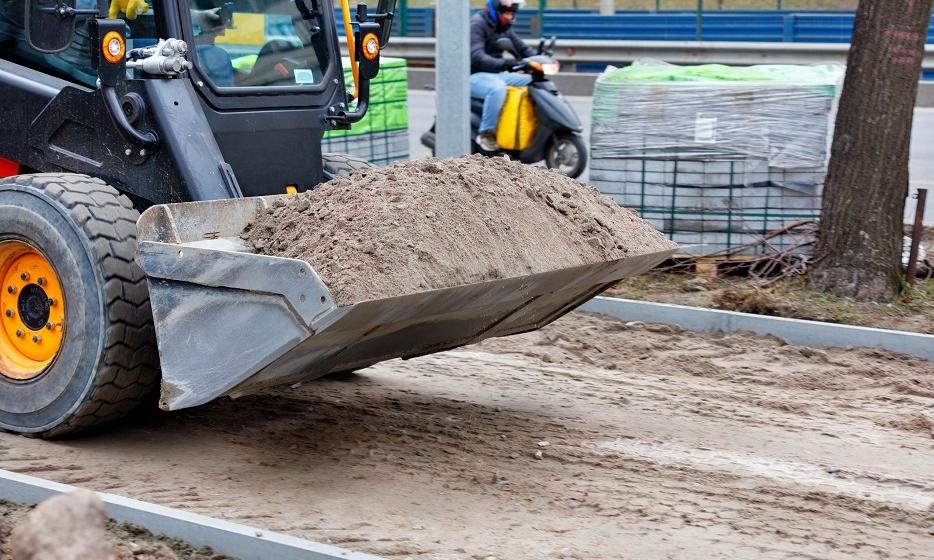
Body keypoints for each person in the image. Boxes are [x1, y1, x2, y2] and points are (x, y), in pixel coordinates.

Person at [469, 0, 540, 152]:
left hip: (495, 73)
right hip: (473, 76)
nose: (509, 17)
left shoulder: (502, 27)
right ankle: (486, 133)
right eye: (506, 13)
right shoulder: (478, 24)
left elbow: (522, 48)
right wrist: (505, 64)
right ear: (496, 10)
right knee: (497, 89)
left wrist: (540, 59)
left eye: (511, 14)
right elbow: (477, 56)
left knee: (533, 81)